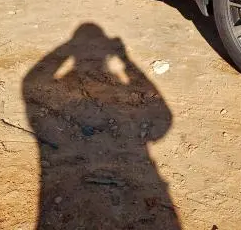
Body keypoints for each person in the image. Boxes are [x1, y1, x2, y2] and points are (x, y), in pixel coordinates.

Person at [22, 23, 179, 229]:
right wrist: (125, 60)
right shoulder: (114, 90)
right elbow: (163, 121)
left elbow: (31, 81)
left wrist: (70, 47)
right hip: (139, 176)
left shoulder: (66, 87)